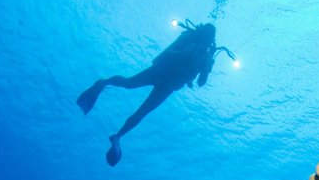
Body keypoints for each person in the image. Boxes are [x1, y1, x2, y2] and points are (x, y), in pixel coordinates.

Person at [77, 21, 218, 166]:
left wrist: (207, 68)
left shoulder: (206, 57)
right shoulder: (188, 38)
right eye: (205, 37)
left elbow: (201, 82)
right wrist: (183, 53)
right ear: (201, 34)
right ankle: (103, 83)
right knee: (128, 83)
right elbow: (165, 55)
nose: (205, 42)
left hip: (169, 86)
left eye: (208, 40)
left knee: (142, 112)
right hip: (160, 71)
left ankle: (118, 136)